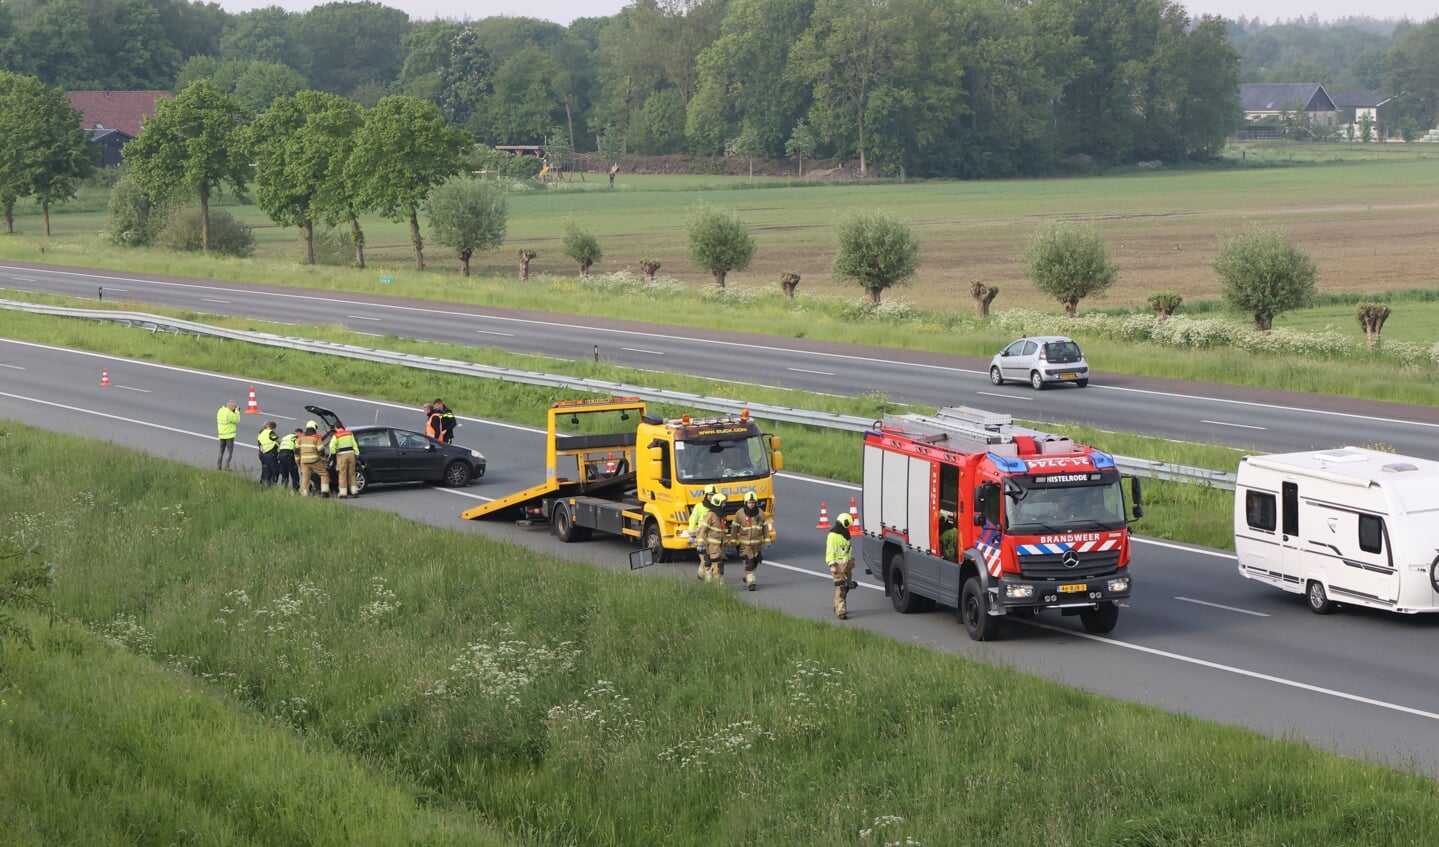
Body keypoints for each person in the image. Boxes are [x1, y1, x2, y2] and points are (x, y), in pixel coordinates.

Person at [729, 491, 771, 591]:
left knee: (756, 561)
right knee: (749, 563)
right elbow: (734, 528)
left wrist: (767, 541)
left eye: (753, 502)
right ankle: (751, 583)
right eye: (749, 502)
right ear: (745, 503)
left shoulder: (760, 513)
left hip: (757, 544)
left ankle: (747, 576)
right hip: (745, 545)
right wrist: (733, 541)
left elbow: (764, 528)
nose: (751, 505)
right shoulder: (740, 513)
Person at [827, 512, 857, 619]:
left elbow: (848, 550)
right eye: (848, 525)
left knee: (846, 587)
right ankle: (840, 611)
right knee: (841, 588)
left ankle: (838, 606)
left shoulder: (845, 535)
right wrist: (831, 565)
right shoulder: (832, 536)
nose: (849, 527)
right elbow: (830, 551)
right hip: (838, 566)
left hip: (847, 564)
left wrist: (851, 561)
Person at [695, 491, 728, 582]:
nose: (725, 505)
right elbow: (703, 529)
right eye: (724, 503)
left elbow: (723, 531)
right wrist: (700, 544)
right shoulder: (711, 515)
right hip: (712, 545)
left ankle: (709, 580)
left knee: (716, 564)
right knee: (716, 565)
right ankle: (717, 584)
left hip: (719, 545)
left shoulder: (721, 515)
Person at [689, 483, 719, 579]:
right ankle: (707, 579)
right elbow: (692, 520)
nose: (712, 497)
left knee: (711, 559)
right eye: (710, 495)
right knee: (705, 561)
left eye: (713, 495)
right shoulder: (699, 507)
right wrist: (692, 535)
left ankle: (702, 573)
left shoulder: (717, 508)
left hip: (713, 538)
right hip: (701, 537)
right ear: (705, 495)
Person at [329, 421, 361, 498]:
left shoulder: (336, 436)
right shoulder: (350, 433)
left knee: (342, 474)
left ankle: (343, 493)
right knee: (352, 474)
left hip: (341, 456)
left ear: (336, 427)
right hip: (351, 455)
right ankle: (354, 492)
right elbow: (354, 444)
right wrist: (356, 454)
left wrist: (333, 454)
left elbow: (331, 446)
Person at [296, 421, 328, 497]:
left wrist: (298, 461)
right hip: (315, 460)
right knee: (324, 474)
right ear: (314, 428)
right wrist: (323, 460)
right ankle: (325, 492)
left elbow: (296, 452)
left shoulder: (300, 438)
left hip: (304, 461)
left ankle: (304, 494)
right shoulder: (317, 438)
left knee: (305, 477)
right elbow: (321, 451)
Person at [215, 399, 239, 470]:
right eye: (234, 406)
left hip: (221, 434)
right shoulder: (229, 413)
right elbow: (237, 420)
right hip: (229, 436)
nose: (234, 407)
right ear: (230, 406)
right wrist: (237, 411)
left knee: (221, 451)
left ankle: (218, 466)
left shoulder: (220, 410)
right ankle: (226, 467)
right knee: (229, 452)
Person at [256, 420, 280, 485]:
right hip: (270, 453)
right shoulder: (271, 432)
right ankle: (271, 485)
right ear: (274, 428)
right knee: (274, 470)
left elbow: (259, 442)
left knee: (265, 469)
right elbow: (277, 440)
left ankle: (262, 483)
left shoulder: (261, 432)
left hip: (262, 454)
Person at [277, 427, 301, 491]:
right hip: (289, 455)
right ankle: (295, 490)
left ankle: (283, 489)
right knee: (294, 474)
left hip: (281, 455)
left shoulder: (285, 437)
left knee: (284, 475)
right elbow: (297, 448)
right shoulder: (295, 437)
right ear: (298, 433)